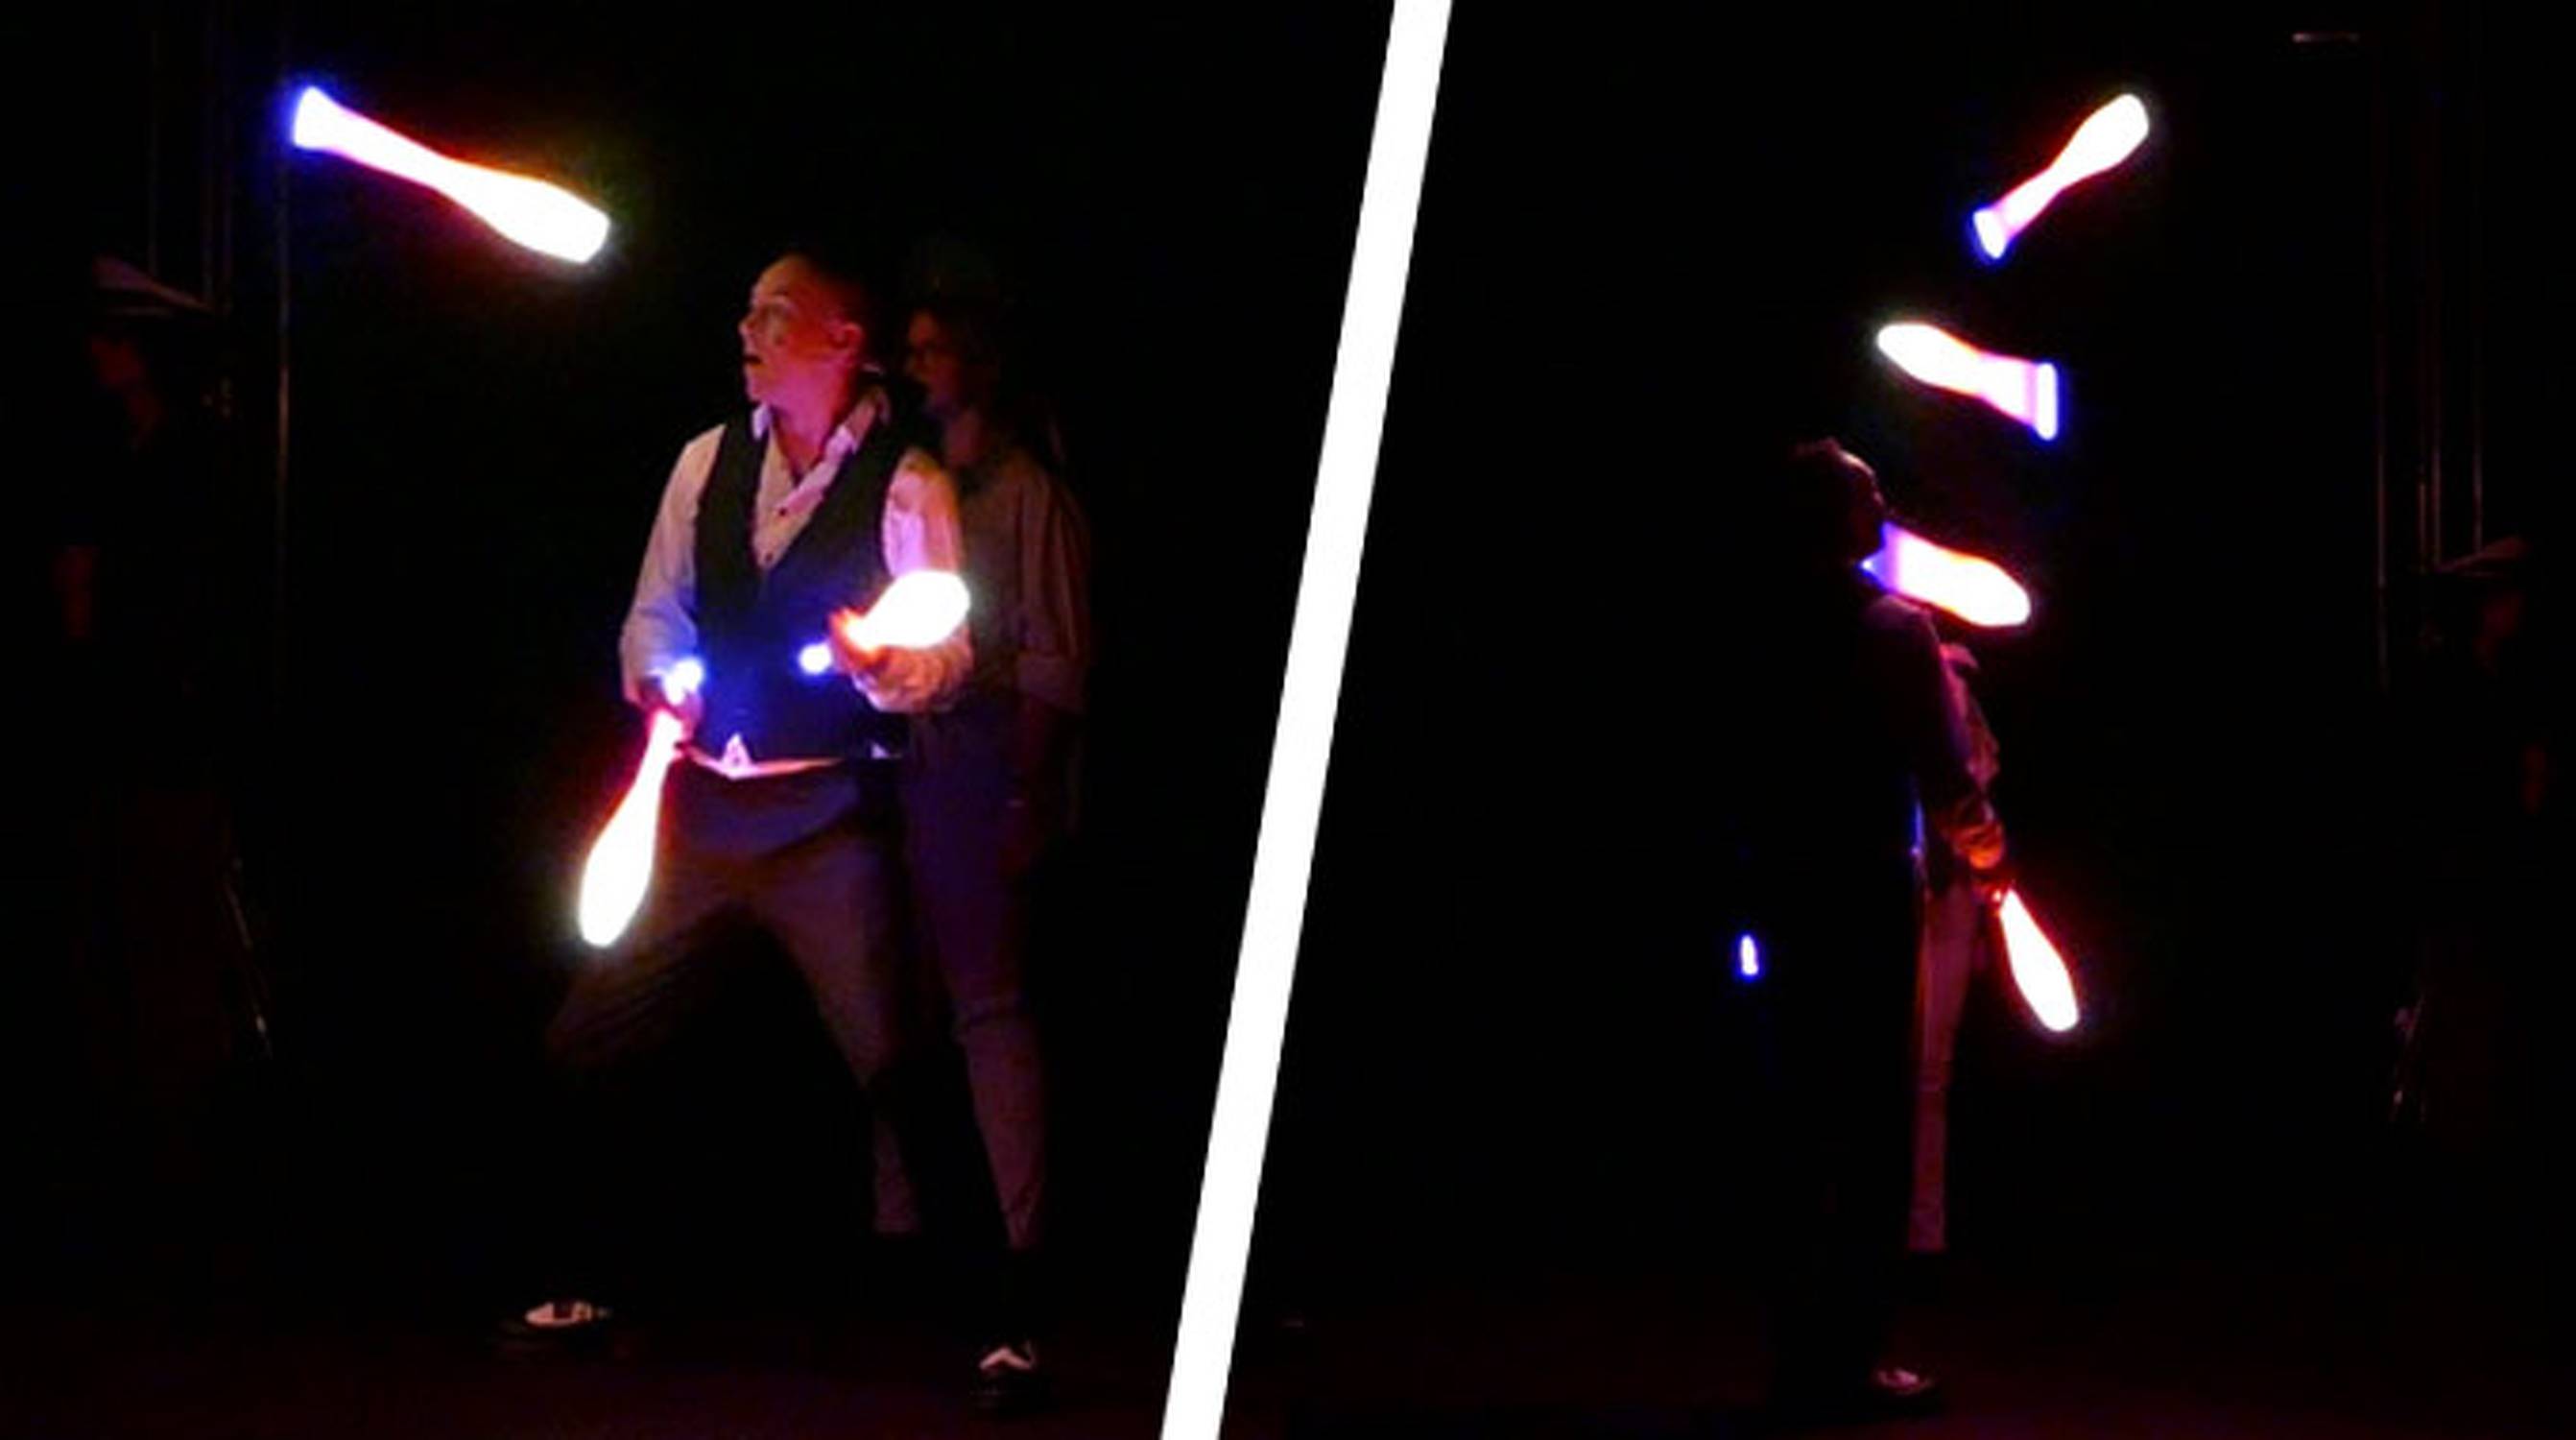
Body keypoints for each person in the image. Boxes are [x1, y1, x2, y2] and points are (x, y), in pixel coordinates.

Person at [513, 247, 1020, 1407]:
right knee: (584, 1042)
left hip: (825, 823)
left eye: (775, 315)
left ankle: (999, 1332)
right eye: (746, 310)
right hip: (702, 818)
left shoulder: (906, 485)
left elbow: (947, 656)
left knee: (902, 1065)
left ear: (843, 343)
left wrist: (882, 662)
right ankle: (585, 1282)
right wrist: (659, 678)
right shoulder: (705, 462)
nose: (747, 330)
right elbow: (654, 611)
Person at [1736, 438, 2006, 1427]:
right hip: (1862, 898)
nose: (1884, 505)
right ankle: (1851, 1357)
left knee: (1794, 1123)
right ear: (1836, 517)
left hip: (1780, 889)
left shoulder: (1756, 627)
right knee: (1872, 1131)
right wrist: (1988, 853)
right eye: (1869, 494)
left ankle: (1793, 1356)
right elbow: (1944, 774)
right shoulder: (1891, 628)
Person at [866, 294, 1091, 1405]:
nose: (913, 368)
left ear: (981, 361)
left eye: (933, 349)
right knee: (899, 1002)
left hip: (982, 762)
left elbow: (1053, 661)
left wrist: (1020, 793)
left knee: (988, 1004)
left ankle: (1017, 1245)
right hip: (918, 764)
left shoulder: (1026, 496)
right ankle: (908, 1236)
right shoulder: (907, 487)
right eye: (906, 351)